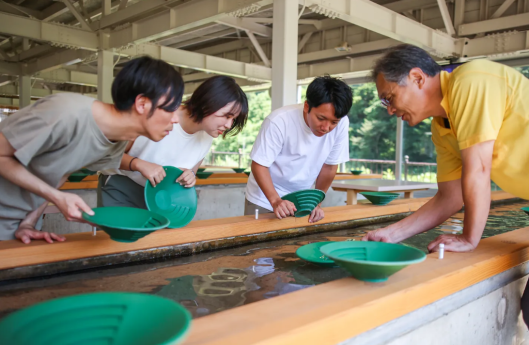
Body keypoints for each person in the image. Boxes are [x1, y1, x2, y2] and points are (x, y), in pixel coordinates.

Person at [362, 44, 529, 326]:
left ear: (417, 78)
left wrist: (468, 239)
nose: (390, 110)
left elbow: (479, 169)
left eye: (389, 98)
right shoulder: (442, 128)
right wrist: (390, 234)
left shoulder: (471, 80)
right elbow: (449, 198)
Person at [0, 56, 184, 244]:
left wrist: (28, 223)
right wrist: (56, 197)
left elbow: (61, 173)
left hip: (20, 224)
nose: (176, 119)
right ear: (142, 104)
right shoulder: (65, 112)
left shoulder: (116, 141)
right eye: (170, 109)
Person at [98, 75, 248, 209]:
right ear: (208, 103)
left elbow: (191, 172)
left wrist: (189, 177)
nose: (229, 125)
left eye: (233, 120)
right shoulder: (160, 113)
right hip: (121, 188)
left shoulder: (208, 136)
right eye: (226, 116)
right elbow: (104, 153)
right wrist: (139, 164)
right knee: (118, 240)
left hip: (160, 197)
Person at [245, 76, 352, 223]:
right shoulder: (279, 121)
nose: (326, 128)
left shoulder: (342, 124)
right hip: (264, 198)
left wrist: (316, 202)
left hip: (303, 200)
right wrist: (276, 201)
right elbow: (259, 165)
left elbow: (329, 167)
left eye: (334, 122)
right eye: (321, 118)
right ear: (307, 106)